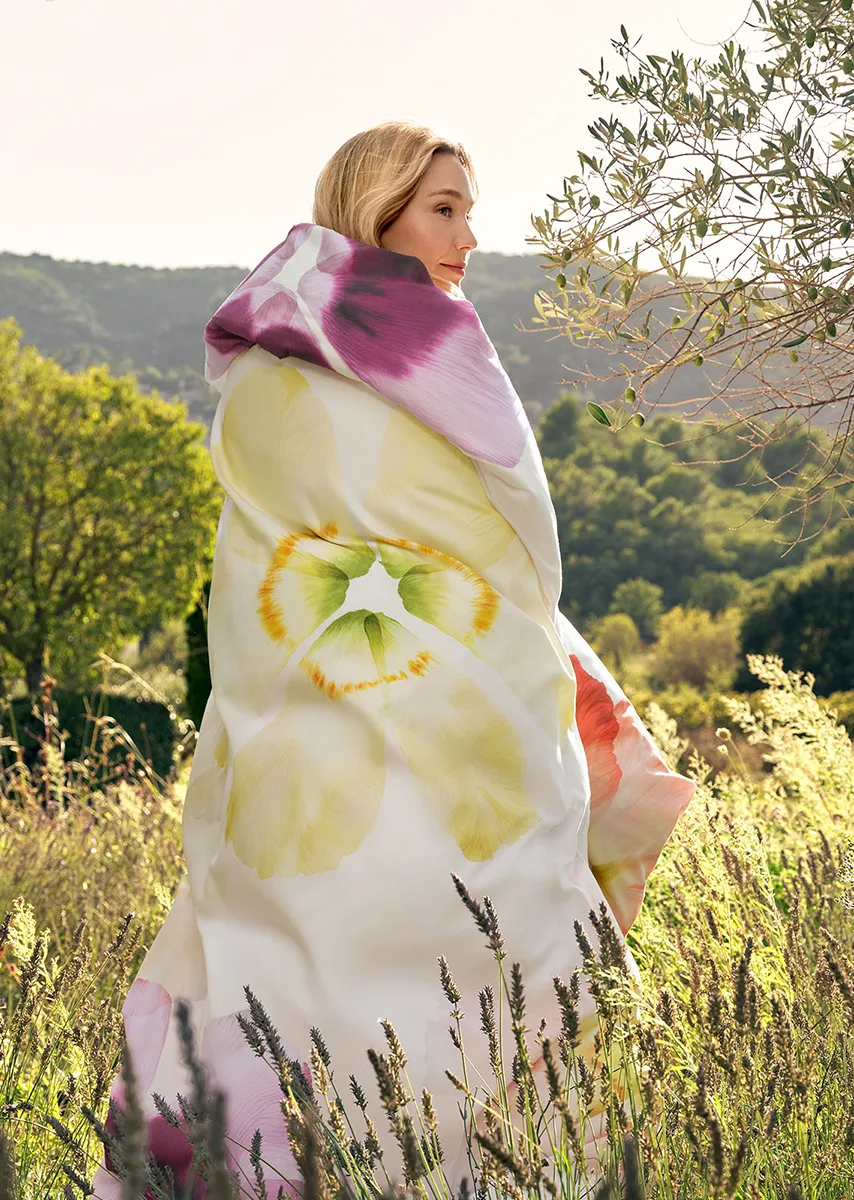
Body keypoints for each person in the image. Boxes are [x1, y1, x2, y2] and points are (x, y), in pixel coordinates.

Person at [91, 121, 694, 1197]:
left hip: (424, 724)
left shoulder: (400, 357)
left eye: (470, 208)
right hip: (334, 730)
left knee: (441, 966)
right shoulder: (318, 376)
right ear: (376, 214)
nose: (469, 235)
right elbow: (290, 559)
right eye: (444, 208)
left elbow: (485, 562)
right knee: (369, 956)